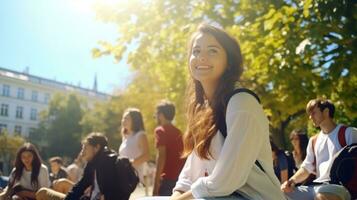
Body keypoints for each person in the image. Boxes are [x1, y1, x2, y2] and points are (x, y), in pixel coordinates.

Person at [140, 23, 286, 200]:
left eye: (212, 51)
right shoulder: (203, 111)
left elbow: (226, 181)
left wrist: (181, 198)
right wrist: (177, 193)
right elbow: (191, 171)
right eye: (196, 51)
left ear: (229, 61)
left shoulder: (242, 103)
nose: (201, 57)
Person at [281, 99, 357, 200]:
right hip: (316, 186)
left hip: (340, 186)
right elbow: (306, 168)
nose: (310, 117)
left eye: (313, 113)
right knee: (280, 194)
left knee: (321, 196)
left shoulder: (349, 133)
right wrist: (291, 181)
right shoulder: (313, 140)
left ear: (326, 112)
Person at [36, 132, 130, 200]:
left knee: (43, 193)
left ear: (97, 147)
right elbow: (80, 186)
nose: (82, 153)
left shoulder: (109, 163)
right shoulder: (93, 163)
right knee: (43, 192)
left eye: (85, 148)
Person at [152, 100, 186, 196]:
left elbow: (161, 157)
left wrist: (156, 183)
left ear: (161, 115)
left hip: (167, 179)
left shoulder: (160, 131)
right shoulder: (179, 132)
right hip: (180, 178)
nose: (156, 117)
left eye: (156, 114)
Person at [119, 108, 150, 184]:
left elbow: (146, 156)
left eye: (127, 118)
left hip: (134, 180)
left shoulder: (141, 135)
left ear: (135, 120)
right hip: (123, 178)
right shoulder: (125, 137)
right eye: (123, 118)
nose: (123, 121)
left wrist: (128, 164)